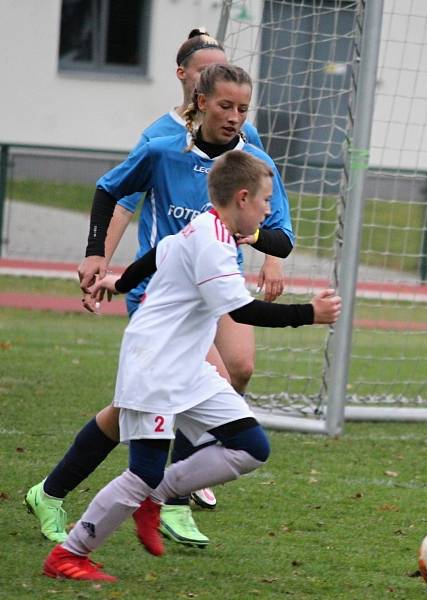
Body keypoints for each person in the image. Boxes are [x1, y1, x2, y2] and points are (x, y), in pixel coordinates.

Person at [26, 60, 293, 549]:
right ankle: (168, 501)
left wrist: (255, 239)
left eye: (243, 109)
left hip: (217, 288)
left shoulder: (253, 164)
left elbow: (282, 238)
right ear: (200, 101)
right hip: (163, 293)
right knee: (202, 380)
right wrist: (96, 256)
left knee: (235, 369)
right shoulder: (163, 149)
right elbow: (111, 191)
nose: (235, 117)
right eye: (226, 106)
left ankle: (52, 490)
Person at [42, 150, 341, 582]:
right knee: (141, 470)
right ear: (242, 198)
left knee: (251, 445)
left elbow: (161, 251)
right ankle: (70, 554)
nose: (269, 209)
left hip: (187, 365)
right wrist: (310, 314)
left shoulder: (209, 224)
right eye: (266, 200)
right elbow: (242, 312)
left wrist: (119, 282)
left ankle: (157, 495)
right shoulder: (213, 243)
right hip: (157, 362)